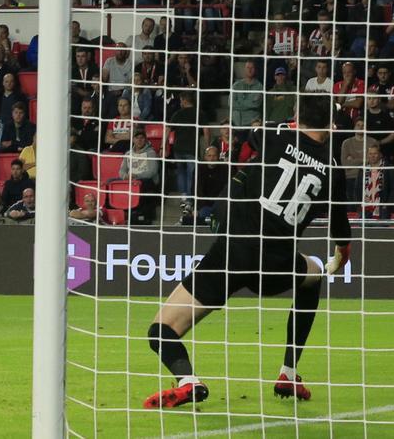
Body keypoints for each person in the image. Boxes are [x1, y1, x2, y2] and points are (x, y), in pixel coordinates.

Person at [143, 97, 351, 409]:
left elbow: (252, 136)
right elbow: (342, 233)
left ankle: (188, 381)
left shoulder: (278, 134)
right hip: (276, 263)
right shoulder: (334, 171)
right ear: (332, 126)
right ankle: (288, 372)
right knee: (315, 275)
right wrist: (339, 258)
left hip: (232, 254)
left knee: (161, 330)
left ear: (297, 116)